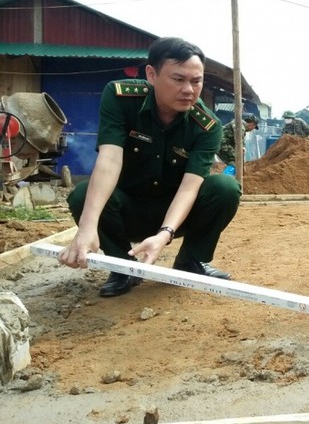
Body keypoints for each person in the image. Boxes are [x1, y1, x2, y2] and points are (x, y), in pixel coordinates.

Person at [58, 37, 242, 297]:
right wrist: (86, 229)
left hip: (176, 214)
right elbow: (109, 159)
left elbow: (190, 188)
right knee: (81, 195)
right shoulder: (121, 97)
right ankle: (123, 267)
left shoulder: (207, 126)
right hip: (127, 207)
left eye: (196, 81)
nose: (189, 89)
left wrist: (164, 234)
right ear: (152, 75)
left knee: (225, 186)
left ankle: (191, 261)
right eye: (178, 79)